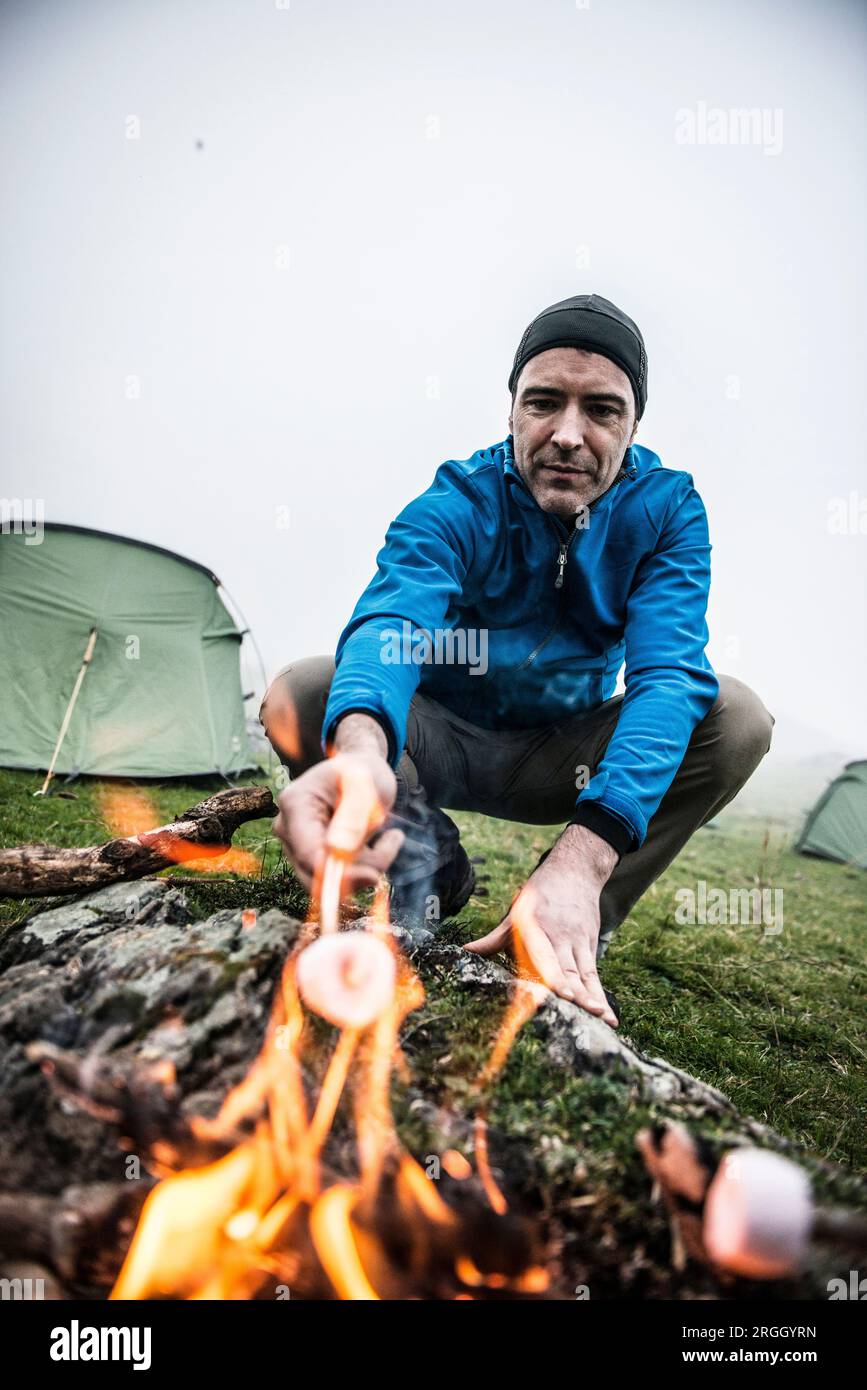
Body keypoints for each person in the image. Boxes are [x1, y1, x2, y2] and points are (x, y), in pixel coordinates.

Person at [263, 293, 773, 1028]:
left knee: (738, 717)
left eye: (600, 410)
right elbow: (390, 625)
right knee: (307, 688)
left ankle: (564, 919)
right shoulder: (457, 501)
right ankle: (422, 868)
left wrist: (587, 855)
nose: (567, 434)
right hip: (431, 742)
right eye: (543, 403)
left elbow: (667, 676)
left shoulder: (665, 510)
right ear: (511, 411)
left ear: (633, 426)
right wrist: (363, 751)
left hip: (561, 756)